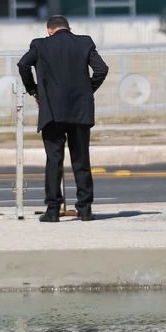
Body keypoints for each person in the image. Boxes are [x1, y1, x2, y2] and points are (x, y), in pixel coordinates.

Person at [17, 15, 109, 222]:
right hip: (80, 111)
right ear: (68, 28)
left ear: (49, 30)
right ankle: (84, 210)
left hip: (52, 110)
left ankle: (52, 210)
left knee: (54, 160)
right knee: (81, 160)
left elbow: (23, 65)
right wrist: (87, 90)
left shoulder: (40, 45)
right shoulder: (84, 42)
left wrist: (33, 91)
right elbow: (102, 69)